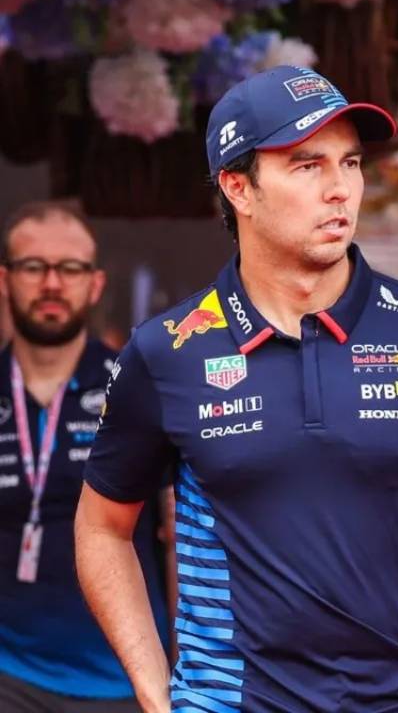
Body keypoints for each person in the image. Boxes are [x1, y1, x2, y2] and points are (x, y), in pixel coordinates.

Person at [73, 66, 398, 713]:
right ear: (238, 188)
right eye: (307, 166)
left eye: (350, 162)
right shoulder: (167, 350)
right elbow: (102, 529)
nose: (340, 189)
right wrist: (157, 695)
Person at [0, 201, 169, 712]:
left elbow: (179, 535)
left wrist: (182, 671)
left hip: (121, 678)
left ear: (95, 285)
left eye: (70, 268)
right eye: (34, 266)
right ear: (5, 280)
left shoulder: (138, 387)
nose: (52, 284)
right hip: (9, 673)